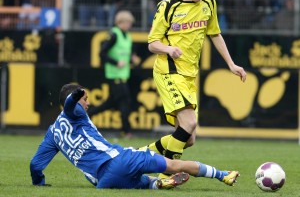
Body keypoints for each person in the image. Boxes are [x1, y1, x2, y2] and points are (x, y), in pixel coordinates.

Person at [141, 0, 247, 178]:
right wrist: (169, 49)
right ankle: (164, 177)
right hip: (168, 71)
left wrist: (231, 64)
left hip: (190, 76)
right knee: (189, 122)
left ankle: (139, 155)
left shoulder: (208, 3)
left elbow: (215, 34)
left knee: (188, 139)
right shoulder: (168, 7)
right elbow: (152, 43)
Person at [30, 83, 240, 189]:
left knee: (141, 180)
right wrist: (75, 96)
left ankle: (156, 184)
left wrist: (39, 183)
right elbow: (69, 107)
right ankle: (223, 175)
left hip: (103, 181)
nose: (88, 103)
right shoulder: (75, 111)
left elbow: (35, 165)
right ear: (75, 101)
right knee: (175, 165)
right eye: (85, 99)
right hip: (119, 160)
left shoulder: (52, 133)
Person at [88, 10, 139, 138]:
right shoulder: (114, 35)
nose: (129, 25)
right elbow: (102, 53)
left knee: (111, 103)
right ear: (120, 22)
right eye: (127, 22)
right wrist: (116, 62)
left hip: (123, 75)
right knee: (125, 101)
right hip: (115, 75)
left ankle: (88, 114)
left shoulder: (127, 36)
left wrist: (133, 58)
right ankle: (126, 131)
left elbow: (127, 53)